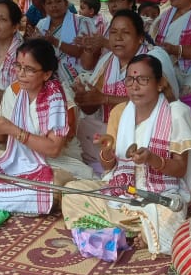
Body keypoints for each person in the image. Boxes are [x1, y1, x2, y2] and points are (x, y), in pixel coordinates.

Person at [63, 54, 191, 240]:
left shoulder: (176, 112)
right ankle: (138, 230)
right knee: (72, 191)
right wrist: (107, 151)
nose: (135, 86)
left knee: (169, 213)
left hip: (159, 195)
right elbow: (109, 167)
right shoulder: (121, 111)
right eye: (130, 80)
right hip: (123, 190)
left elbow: (180, 169)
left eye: (143, 79)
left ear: (160, 83)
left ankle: (122, 228)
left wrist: (152, 159)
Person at [0, 38, 91, 216]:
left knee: (46, 187)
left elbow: (54, 149)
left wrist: (13, 130)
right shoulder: (14, 91)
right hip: (19, 157)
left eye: (29, 69)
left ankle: (16, 199)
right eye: (18, 66)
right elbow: (3, 139)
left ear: (46, 74)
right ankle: (16, 200)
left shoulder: (57, 97)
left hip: (57, 163)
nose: (21, 74)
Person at [74, 11, 176, 172]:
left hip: (148, 129)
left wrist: (105, 99)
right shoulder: (108, 61)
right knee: (79, 125)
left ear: (140, 37)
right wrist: (84, 99)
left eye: (125, 32)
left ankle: (116, 161)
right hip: (113, 127)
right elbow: (92, 106)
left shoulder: (153, 58)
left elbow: (164, 101)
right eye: (113, 32)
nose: (118, 38)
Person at [36, 0, 96, 85]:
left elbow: (81, 52)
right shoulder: (41, 25)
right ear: (44, 6)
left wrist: (54, 41)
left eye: (58, 1)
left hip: (78, 79)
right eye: (49, 3)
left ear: (66, 3)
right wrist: (34, 43)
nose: (54, 6)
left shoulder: (82, 22)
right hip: (48, 80)